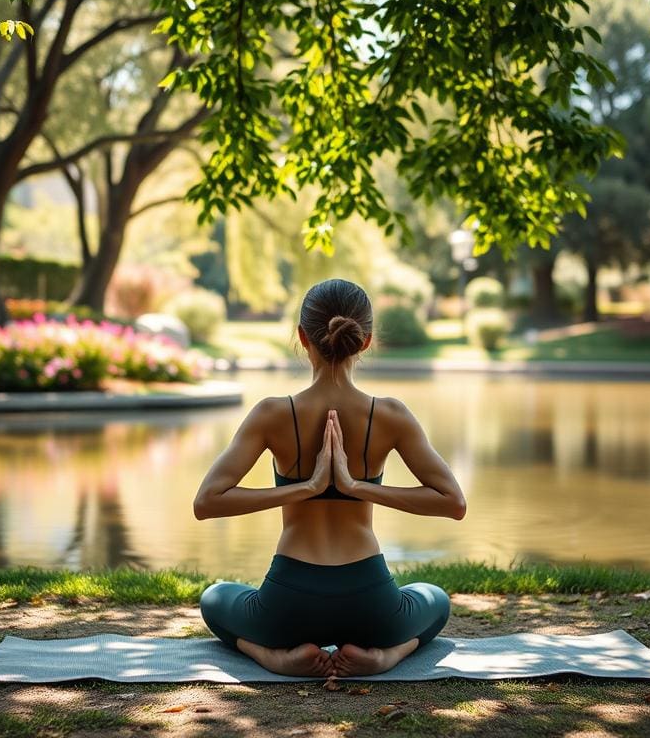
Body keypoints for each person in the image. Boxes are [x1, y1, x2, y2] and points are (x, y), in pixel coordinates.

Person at [194, 278, 467, 678]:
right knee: (436, 600)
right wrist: (359, 487)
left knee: (215, 598)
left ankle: (273, 657)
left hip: (287, 606)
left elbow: (207, 502)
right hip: (370, 603)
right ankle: (386, 657)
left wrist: (304, 487)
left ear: (303, 337)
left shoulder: (273, 414)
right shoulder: (389, 415)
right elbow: (453, 502)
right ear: (366, 340)